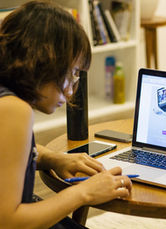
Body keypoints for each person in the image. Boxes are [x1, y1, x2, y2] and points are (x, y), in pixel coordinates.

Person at [0, 1, 132, 228]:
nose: (71, 90)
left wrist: (53, 158)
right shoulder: (13, 109)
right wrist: (85, 192)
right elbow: (8, 221)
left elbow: (7, 151)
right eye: (70, 73)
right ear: (42, 61)